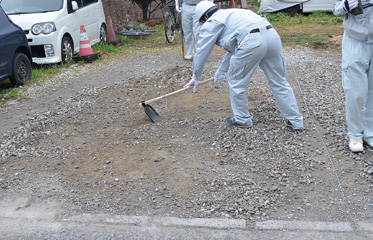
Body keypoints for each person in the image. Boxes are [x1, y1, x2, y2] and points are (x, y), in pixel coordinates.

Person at [184, 1, 303, 130]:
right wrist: (222, 69)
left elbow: (202, 51)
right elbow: (235, 47)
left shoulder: (212, 23)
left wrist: (196, 76)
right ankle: (295, 121)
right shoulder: (232, 13)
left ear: (205, 18)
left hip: (251, 42)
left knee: (236, 82)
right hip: (272, 37)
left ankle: (242, 119)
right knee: (279, 81)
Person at [333, 0, 372, 152]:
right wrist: (347, 5)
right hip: (355, 41)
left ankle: (370, 133)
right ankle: (355, 135)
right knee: (355, 91)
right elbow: (335, 9)